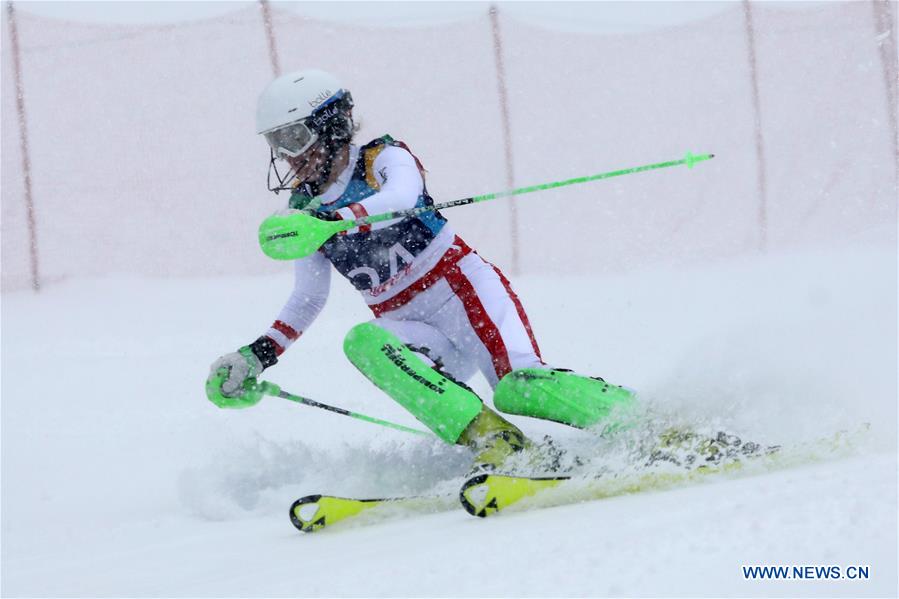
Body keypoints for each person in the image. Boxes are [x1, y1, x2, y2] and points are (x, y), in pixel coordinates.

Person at [206, 69, 634, 473]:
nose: (287, 155)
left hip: (462, 293)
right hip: (410, 326)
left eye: (294, 137)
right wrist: (258, 355)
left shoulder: (382, 158)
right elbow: (308, 297)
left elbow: (404, 197)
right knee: (362, 342)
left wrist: (333, 222)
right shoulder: (305, 212)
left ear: (331, 125)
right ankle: (499, 444)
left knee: (519, 388)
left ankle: (645, 422)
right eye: (277, 142)